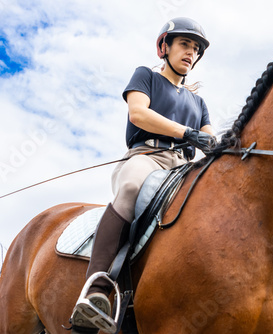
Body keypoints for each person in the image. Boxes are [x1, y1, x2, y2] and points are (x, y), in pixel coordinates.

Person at [70, 17, 215, 333]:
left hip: (184, 166)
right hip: (146, 158)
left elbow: (211, 138)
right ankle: (95, 290)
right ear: (165, 46)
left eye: (195, 49)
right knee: (133, 187)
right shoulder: (146, 76)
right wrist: (187, 132)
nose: (191, 53)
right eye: (184, 45)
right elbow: (138, 113)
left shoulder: (199, 102)